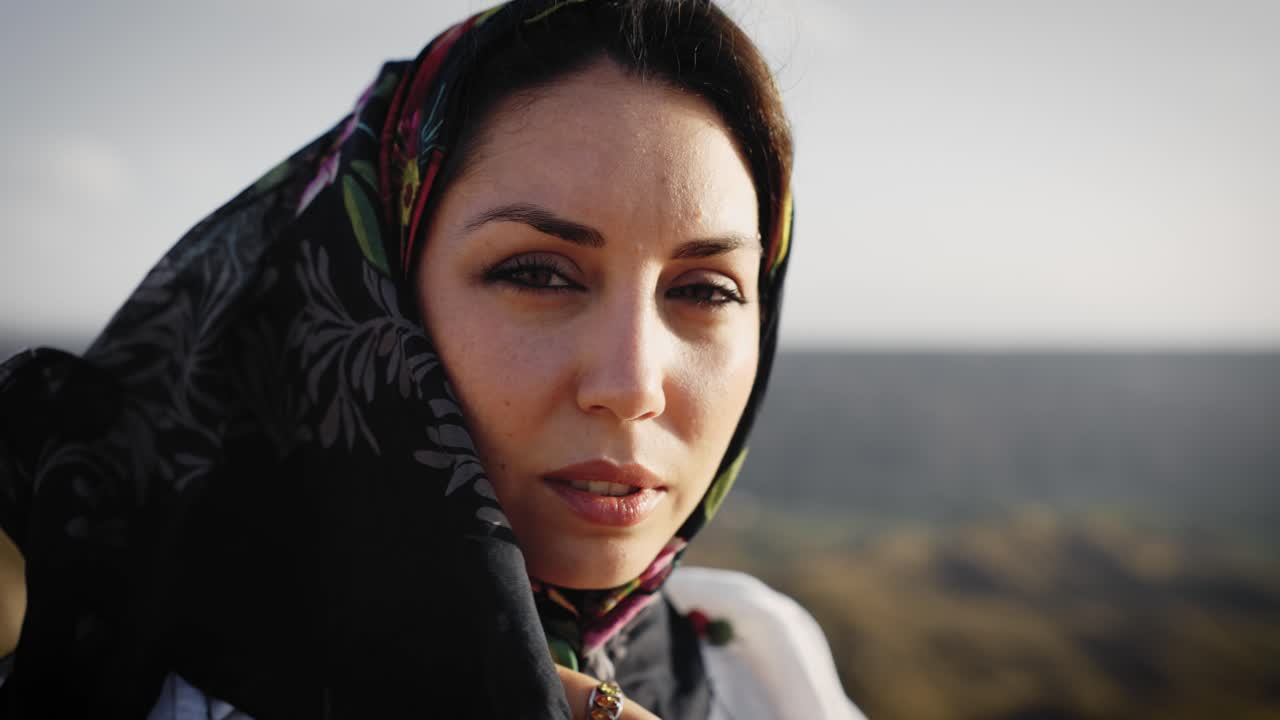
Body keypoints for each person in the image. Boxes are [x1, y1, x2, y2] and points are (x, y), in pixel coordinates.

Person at [0, 1, 863, 717]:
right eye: (537, 274)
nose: (632, 386)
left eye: (706, 289)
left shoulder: (762, 668)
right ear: (377, 297)